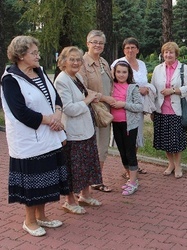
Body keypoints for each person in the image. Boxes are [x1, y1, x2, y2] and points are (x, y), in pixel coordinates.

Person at [1, 36, 69, 236]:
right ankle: (29, 221)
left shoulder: (39, 72)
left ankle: (42, 216)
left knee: (46, 179)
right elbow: (20, 112)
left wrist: (57, 114)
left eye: (37, 52)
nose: (38, 56)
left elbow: (54, 95)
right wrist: (50, 120)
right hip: (29, 141)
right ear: (21, 56)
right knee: (33, 181)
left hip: (49, 136)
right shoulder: (10, 80)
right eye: (34, 53)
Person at [54, 46, 103, 213]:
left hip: (86, 129)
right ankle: (70, 201)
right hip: (73, 132)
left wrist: (92, 97)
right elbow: (69, 109)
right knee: (73, 168)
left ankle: (85, 196)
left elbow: (83, 96)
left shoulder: (77, 77)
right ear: (63, 62)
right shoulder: (62, 80)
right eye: (72, 59)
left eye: (78, 59)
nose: (76, 62)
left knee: (87, 164)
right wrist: (88, 100)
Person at [111, 37, 156, 178]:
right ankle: (128, 169)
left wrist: (146, 89)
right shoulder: (118, 63)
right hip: (123, 108)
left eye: (133, 47)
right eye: (127, 48)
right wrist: (137, 88)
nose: (130, 50)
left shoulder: (142, 64)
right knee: (125, 139)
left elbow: (145, 81)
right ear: (123, 49)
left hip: (139, 106)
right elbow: (115, 83)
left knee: (135, 137)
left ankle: (133, 164)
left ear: (137, 49)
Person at [151, 42, 187, 179]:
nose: (168, 55)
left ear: (176, 54)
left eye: (171, 52)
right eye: (166, 52)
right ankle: (170, 164)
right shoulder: (158, 69)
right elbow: (153, 89)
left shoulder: (184, 69)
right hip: (161, 110)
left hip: (177, 110)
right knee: (165, 141)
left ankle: (178, 165)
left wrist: (173, 90)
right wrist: (152, 109)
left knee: (177, 141)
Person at [79, 30, 114, 192]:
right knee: (89, 148)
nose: (98, 45)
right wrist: (104, 98)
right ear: (87, 43)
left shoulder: (104, 63)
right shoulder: (81, 63)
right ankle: (84, 185)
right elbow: (82, 89)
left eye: (100, 42)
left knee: (102, 147)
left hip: (105, 112)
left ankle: (97, 180)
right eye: (94, 42)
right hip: (90, 111)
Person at [110, 61, 143, 195]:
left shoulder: (133, 87)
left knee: (130, 153)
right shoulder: (111, 87)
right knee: (122, 153)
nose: (121, 75)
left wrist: (124, 104)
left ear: (129, 73)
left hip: (129, 125)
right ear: (114, 73)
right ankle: (131, 178)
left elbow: (139, 107)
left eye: (124, 72)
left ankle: (134, 182)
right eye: (118, 72)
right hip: (115, 124)